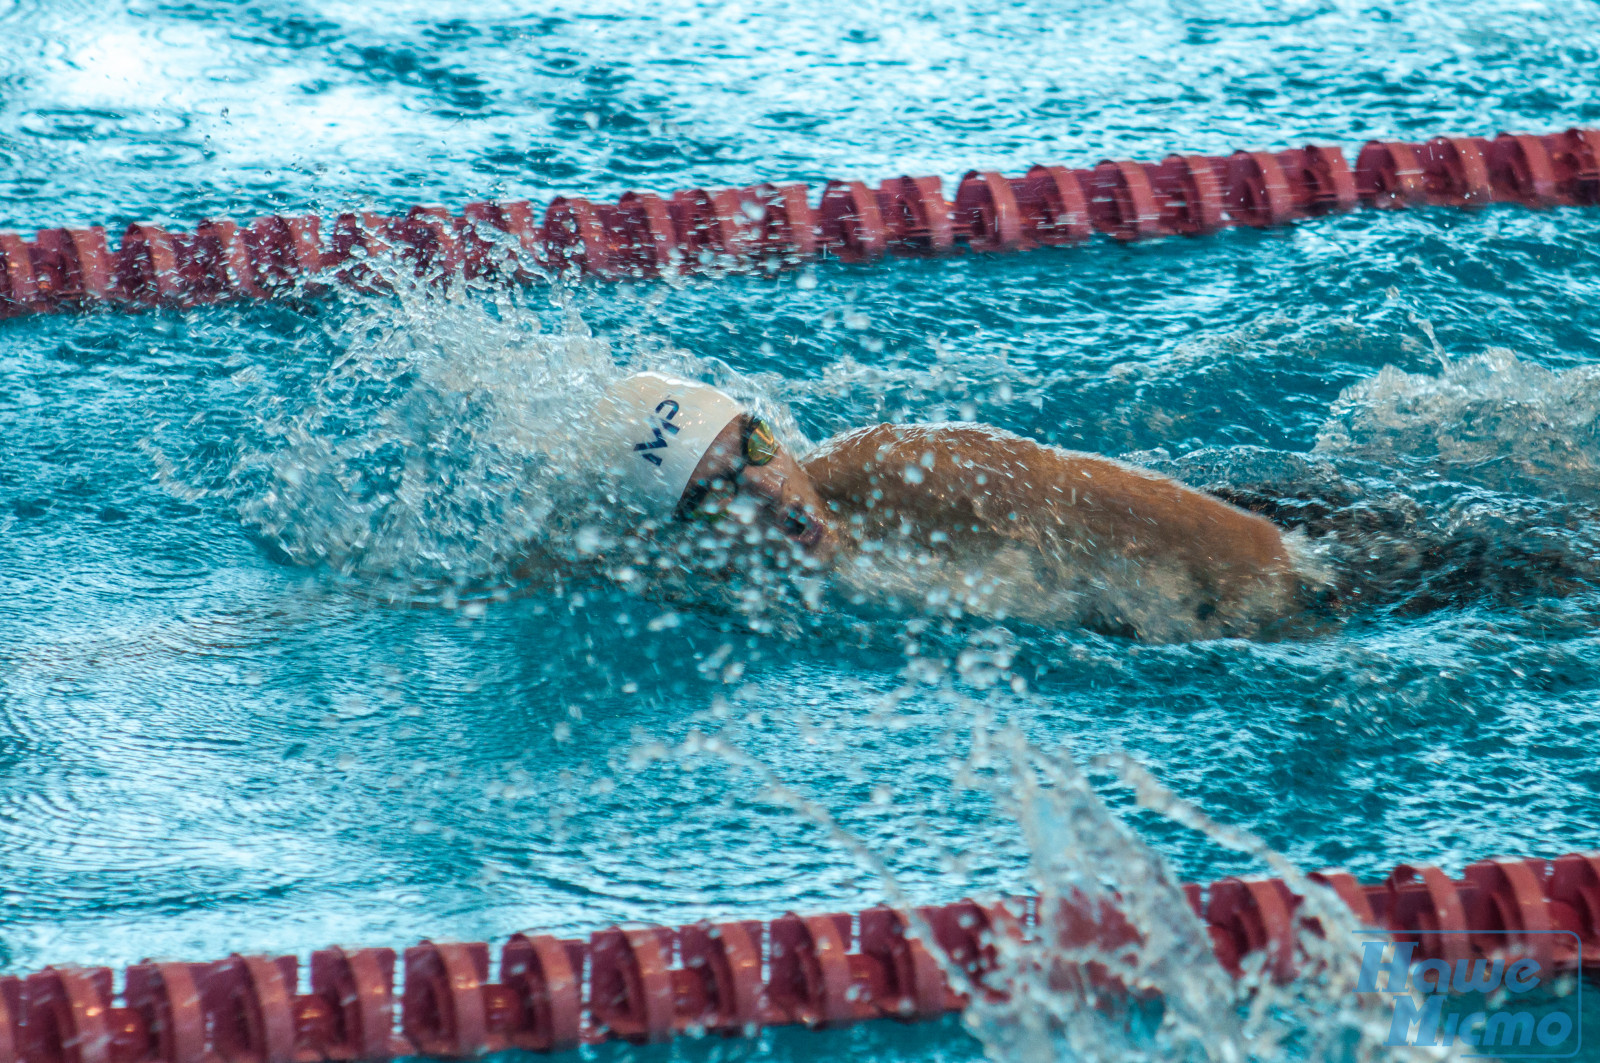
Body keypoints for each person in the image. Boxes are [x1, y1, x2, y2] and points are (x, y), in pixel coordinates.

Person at [595, 372, 1315, 641]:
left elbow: (1243, 548)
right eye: (717, 494)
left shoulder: (911, 473)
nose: (765, 489)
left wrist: (1300, 600)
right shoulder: (694, 580)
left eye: (753, 448)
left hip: (1292, 546)